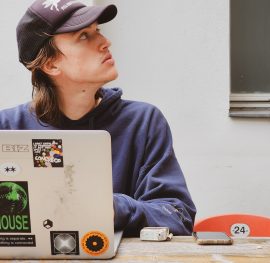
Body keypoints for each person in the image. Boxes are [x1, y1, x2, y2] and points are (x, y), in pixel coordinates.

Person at [0, 0, 196, 237]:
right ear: (50, 63)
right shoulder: (8, 128)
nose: (105, 42)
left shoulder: (143, 122)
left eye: (98, 31)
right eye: (84, 36)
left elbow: (177, 216)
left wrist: (110, 207)